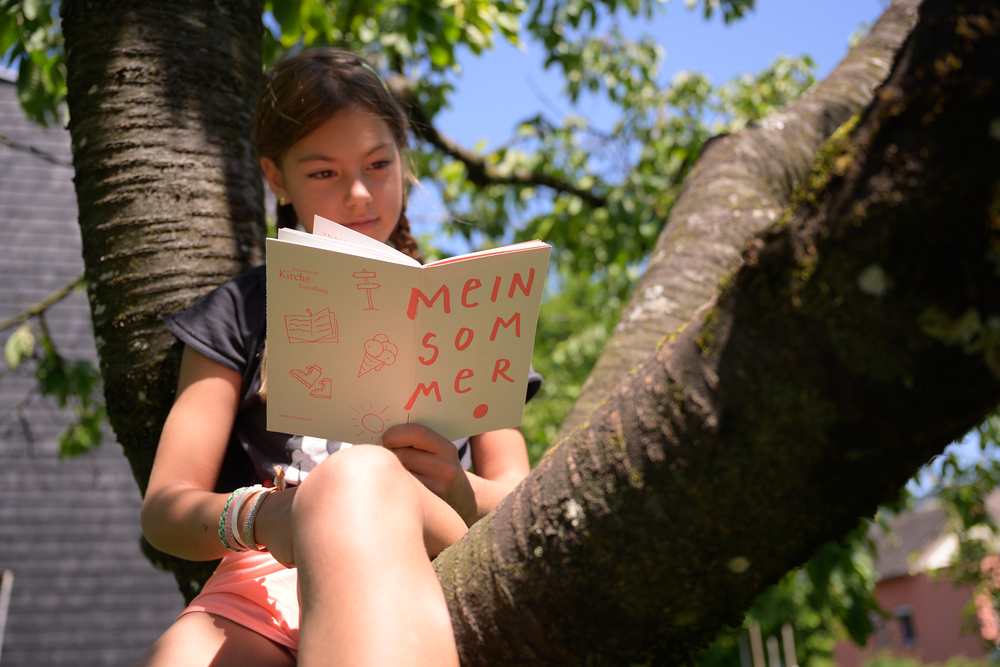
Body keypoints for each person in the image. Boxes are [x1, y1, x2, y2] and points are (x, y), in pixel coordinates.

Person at [136, 48, 541, 667]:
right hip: (264, 576)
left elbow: (520, 496)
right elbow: (166, 508)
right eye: (324, 173)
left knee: (355, 477)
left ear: (403, 158)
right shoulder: (242, 312)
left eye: (379, 164)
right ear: (276, 177)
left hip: (424, 558)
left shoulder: (464, 308)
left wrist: (459, 490)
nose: (359, 193)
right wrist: (261, 515)